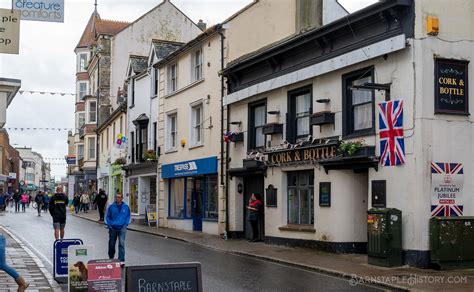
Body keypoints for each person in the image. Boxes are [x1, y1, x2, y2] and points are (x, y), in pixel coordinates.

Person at [105, 192, 130, 267]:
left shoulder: (125, 207)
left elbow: (128, 216)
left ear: (122, 198)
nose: (118, 198)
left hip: (122, 228)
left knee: (121, 244)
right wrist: (109, 225)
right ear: (115, 198)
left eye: (119, 197)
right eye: (117, 197)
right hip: (113, 228)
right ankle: (111, 258)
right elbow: (107, 216)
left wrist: (125, 225)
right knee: (112, 244)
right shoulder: (111, 207)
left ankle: (121, 260)